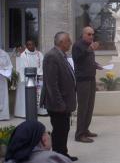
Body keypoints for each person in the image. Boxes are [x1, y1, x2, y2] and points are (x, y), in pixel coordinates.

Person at [41, 31, 77, 161]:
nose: (70, 43)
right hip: (58, 104)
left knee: (64, 130)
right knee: (59, 131)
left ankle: (63, 154)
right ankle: (57, 157)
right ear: (61, 42)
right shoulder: (52, 56)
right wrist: (59, 103)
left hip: (64, 103)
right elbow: (52, 84)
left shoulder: (61, 55)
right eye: (68, 40)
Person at [72, 26, 102, 143]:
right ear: (83, 34)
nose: (91, 36)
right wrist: (89, 49)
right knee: (83, 108)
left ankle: (85, 130)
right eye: (89, 34)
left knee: (90, 107)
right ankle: (79, 134)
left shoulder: (89, 46)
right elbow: (77, 59)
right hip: (82, 80)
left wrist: (96, 65)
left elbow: (88, 61)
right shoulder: (77, 45)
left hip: (91, 78)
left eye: (92, 34)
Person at [4, 121, 72, 163]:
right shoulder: (54, 158)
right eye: (48, 133)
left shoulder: (10, 160)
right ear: (43, 139)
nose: (49, 135)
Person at [15, 40, 47, 118]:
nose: (30, 46)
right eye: (28, 45)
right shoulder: (23, 55)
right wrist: (26, 78)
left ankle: (40, 111)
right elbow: (22, 67)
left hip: (38, 77)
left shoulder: (39, 54)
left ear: (34, 45)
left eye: (32, 44)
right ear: (26, 46)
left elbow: (42, 65)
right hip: (27, 78)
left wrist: (39, 74)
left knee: (40, 94)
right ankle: (25, 113)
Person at [0, 48, 12, 121]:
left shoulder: (4, 54)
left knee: (3, 96)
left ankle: (3, 116)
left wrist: (4, 70)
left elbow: (9, 66)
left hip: (2, 78)